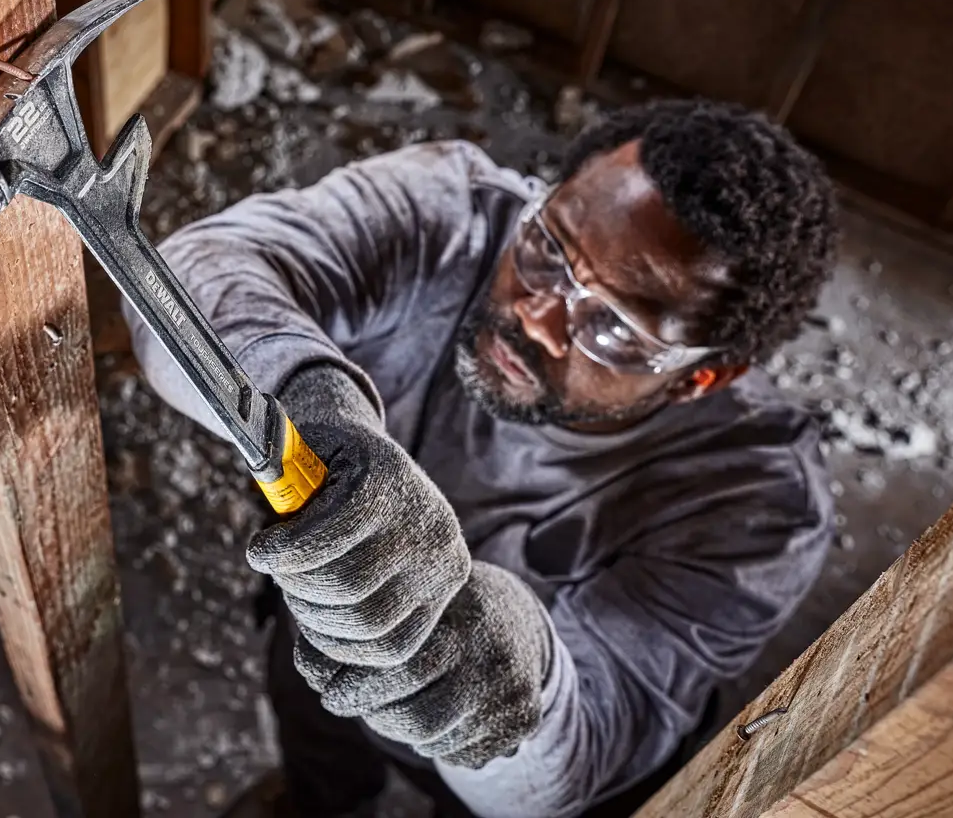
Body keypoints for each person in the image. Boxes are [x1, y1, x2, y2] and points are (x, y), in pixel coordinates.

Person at [126, 100, 840, 818]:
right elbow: (200, 272)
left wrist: (516, 681)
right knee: (315, 738)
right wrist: (316, 410)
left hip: (503, 771)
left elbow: (582, 753)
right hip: (332, 633)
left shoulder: (759, 504)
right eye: (549, 252)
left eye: (614, 329)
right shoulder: (455, 210)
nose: (539, 316)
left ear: (697, 378)